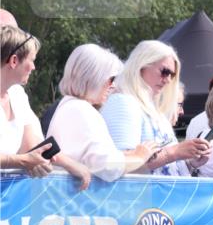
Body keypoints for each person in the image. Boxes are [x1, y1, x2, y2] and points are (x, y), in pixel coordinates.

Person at [47, 44, 157, 181]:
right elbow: (107, 167)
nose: (113, 85)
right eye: (111, 79)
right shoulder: (83, 110)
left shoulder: (67, 106)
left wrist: (127, 156)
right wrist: (139, 157)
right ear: (94, 78)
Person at [1, 25, 91, 189]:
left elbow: (33, 145)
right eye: (32, 60)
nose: (34, 67)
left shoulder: (17, 95)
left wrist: (69, 164)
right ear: (14, 61)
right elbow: (26, 158)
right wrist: (24, 161)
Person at [103, 40, 210, 175]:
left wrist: (190, 162)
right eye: (165, 71)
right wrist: (175, 152)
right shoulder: (123, 102)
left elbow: (164, 168)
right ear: (141, 65)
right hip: (140, 195)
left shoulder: (151, 108)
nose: (168, 80)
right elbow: (121, 166)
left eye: (172, 74)